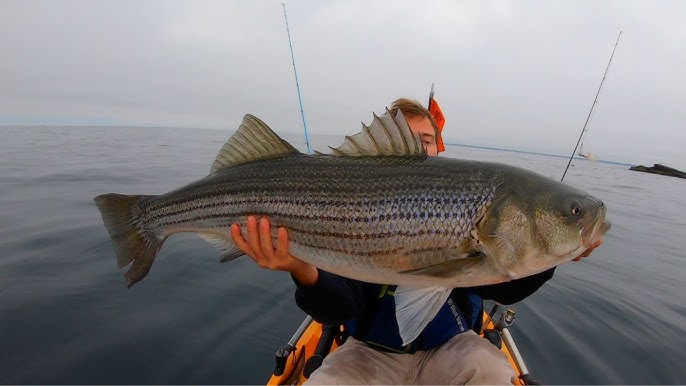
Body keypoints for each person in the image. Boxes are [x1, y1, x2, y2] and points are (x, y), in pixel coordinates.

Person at [230, 98, 601, 384]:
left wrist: (554, 255)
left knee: (489, 372)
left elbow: (504, 293)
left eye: (424, 140)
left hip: (452, 348)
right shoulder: (358, 203)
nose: (416, 151)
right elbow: (336, 310)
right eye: (404, 141)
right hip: (369, 352)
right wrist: (300, 268)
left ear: (439, 147)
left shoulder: (469, 200)